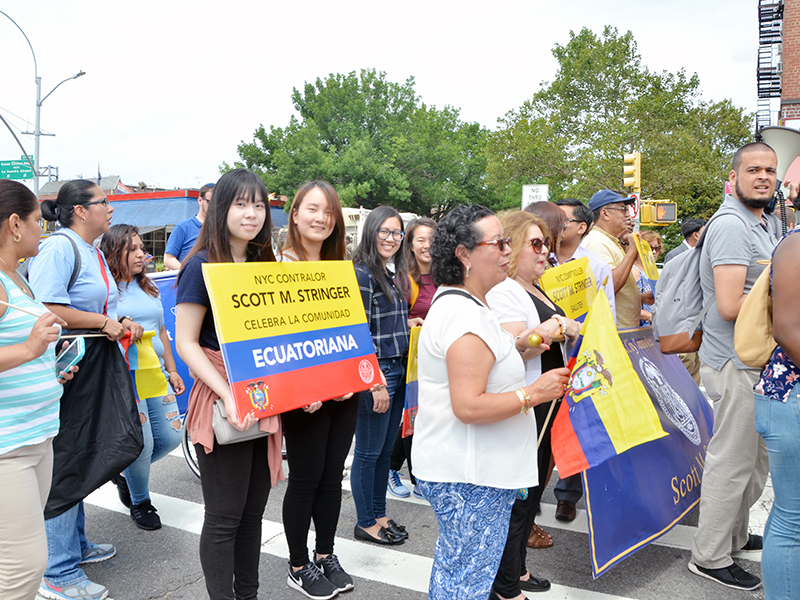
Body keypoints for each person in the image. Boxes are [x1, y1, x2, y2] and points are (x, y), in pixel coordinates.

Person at [411, 204, 570, 600]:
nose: (507, 251)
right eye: (498, 243)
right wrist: (535, 393)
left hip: (474, 471)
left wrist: (525, 345)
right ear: (463, 254)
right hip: (469, 475)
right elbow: (469, 406)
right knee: (465, 581)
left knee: (460, 573)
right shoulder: (464, 316)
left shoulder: (470, 306)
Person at [29, 179, 144, 600]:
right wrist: (101, 323)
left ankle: (73, 547)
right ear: (80, 210)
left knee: (87, 451)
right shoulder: (59, 248)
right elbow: (46, 307)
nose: (110, 209)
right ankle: (56, 570)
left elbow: (99, 309)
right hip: (73, 366)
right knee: (69, 457)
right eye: (104, 202)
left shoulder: (89, 250)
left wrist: (119, 321)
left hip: (96, 361)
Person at [175, 169, 284, 600]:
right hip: (224, 401)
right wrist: (227, 392)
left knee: (253, 512)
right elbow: (186, 341)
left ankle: (249, 595)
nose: (252, 213)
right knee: (224, 517)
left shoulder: (264, 265)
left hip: (264, 394)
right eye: (241, 203)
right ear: (221, 208)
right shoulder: (200, 265)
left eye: (258, 204)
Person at [688, 142, 781, 591]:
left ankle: (736, 536)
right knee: (732, 460)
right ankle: (708, 556)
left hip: (760, 363)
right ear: (735, 176)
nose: (763, 177)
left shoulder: (765, 222)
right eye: (753, 170)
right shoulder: (730, 225)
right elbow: (729, 305)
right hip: (735, 362)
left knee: (756, 462)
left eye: (770, 170)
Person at [487, 211, 581, 599]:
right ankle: (506, 585)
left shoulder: (537, 288)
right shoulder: (507, 290)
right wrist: (554, 328)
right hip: (528, 405)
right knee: (520, 498)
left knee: (532, 494)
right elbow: (512, 350)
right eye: (536, 244)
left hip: (545, 402)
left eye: (547, 244)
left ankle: (517, 571)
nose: (545, 252)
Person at [278, 181, 360, 599]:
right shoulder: (278, 268)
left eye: (328, 212)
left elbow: (348, 333)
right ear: (294, 214)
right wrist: (302, 388)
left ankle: (325, 555)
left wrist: (349, 381)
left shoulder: (339, 265)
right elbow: (277, 341)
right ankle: (298, 564)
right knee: (306, 478)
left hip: (344, 393)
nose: (321, 218)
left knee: (332, 477)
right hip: (303, 397)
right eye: (312, 209)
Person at [0, 181, 77, 600]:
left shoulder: (17, 278)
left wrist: (48, 367)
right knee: (23, 569)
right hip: (8, 444)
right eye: (35, 222)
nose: (41, 231)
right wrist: (31, 347)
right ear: (14, 224)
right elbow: (21, 346)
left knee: (16, 562)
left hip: (37, 434)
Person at [99, 224, 185, 531]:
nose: (141, 254)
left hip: (157, 373)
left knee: (172, 436)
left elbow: (162, 330)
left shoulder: (149, 286)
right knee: (142, 444)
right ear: (114, 252)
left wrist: (172, 369)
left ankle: (124, 473)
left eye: (141, 248)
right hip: (127, 378)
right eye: (132, 249)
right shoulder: (106, 290)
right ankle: (140, 501)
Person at [350, 206, 415, 546]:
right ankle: (365, 521)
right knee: (368, 451)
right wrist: (374, 382)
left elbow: (388, 321)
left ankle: (379, 512)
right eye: (385, 232)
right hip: (378, 372)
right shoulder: (362, 272)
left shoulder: (395, 272)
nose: (391, 239)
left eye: (397, 233)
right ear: (371, 232)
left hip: (399, 368)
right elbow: (359, 331)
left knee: (385, 449)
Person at [753, 226, 800, 599]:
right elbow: (787, 328)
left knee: (790, 514)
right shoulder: (797, 243)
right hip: (791, 395)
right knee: (793, 519)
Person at [387, 217, 438, 500]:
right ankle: (414, 477)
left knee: (423, 416)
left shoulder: (446, 275)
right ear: (410, 243)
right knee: (413, 415)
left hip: (437, 358)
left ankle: (394, 468)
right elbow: (392, 319)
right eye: (420, 239)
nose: (426, 245)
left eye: (431, 238)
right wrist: (409, 323)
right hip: (411, 359)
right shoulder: (403, 279)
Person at [581, 190, 642, 329]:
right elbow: (608, 287)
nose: (628, 215)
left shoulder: (609, 240)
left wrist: (642, 297)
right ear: (605, 213)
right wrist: (632, 250)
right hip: (614, 332)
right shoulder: (596, 242)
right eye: (623, 209)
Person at [164, 183, 215, 270]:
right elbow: (168, 259)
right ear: (200, 200)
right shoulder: (183, 228)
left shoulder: (223, 229)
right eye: (210, 202)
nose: (214, 206)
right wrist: (187, 272)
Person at [631, 229, 662, 326]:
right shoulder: (635, 271)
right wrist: (650, 316)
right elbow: (628, 305)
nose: (653, 252)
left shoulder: (652, 271)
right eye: (649, 247)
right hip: (639, 328)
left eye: (657, 248)